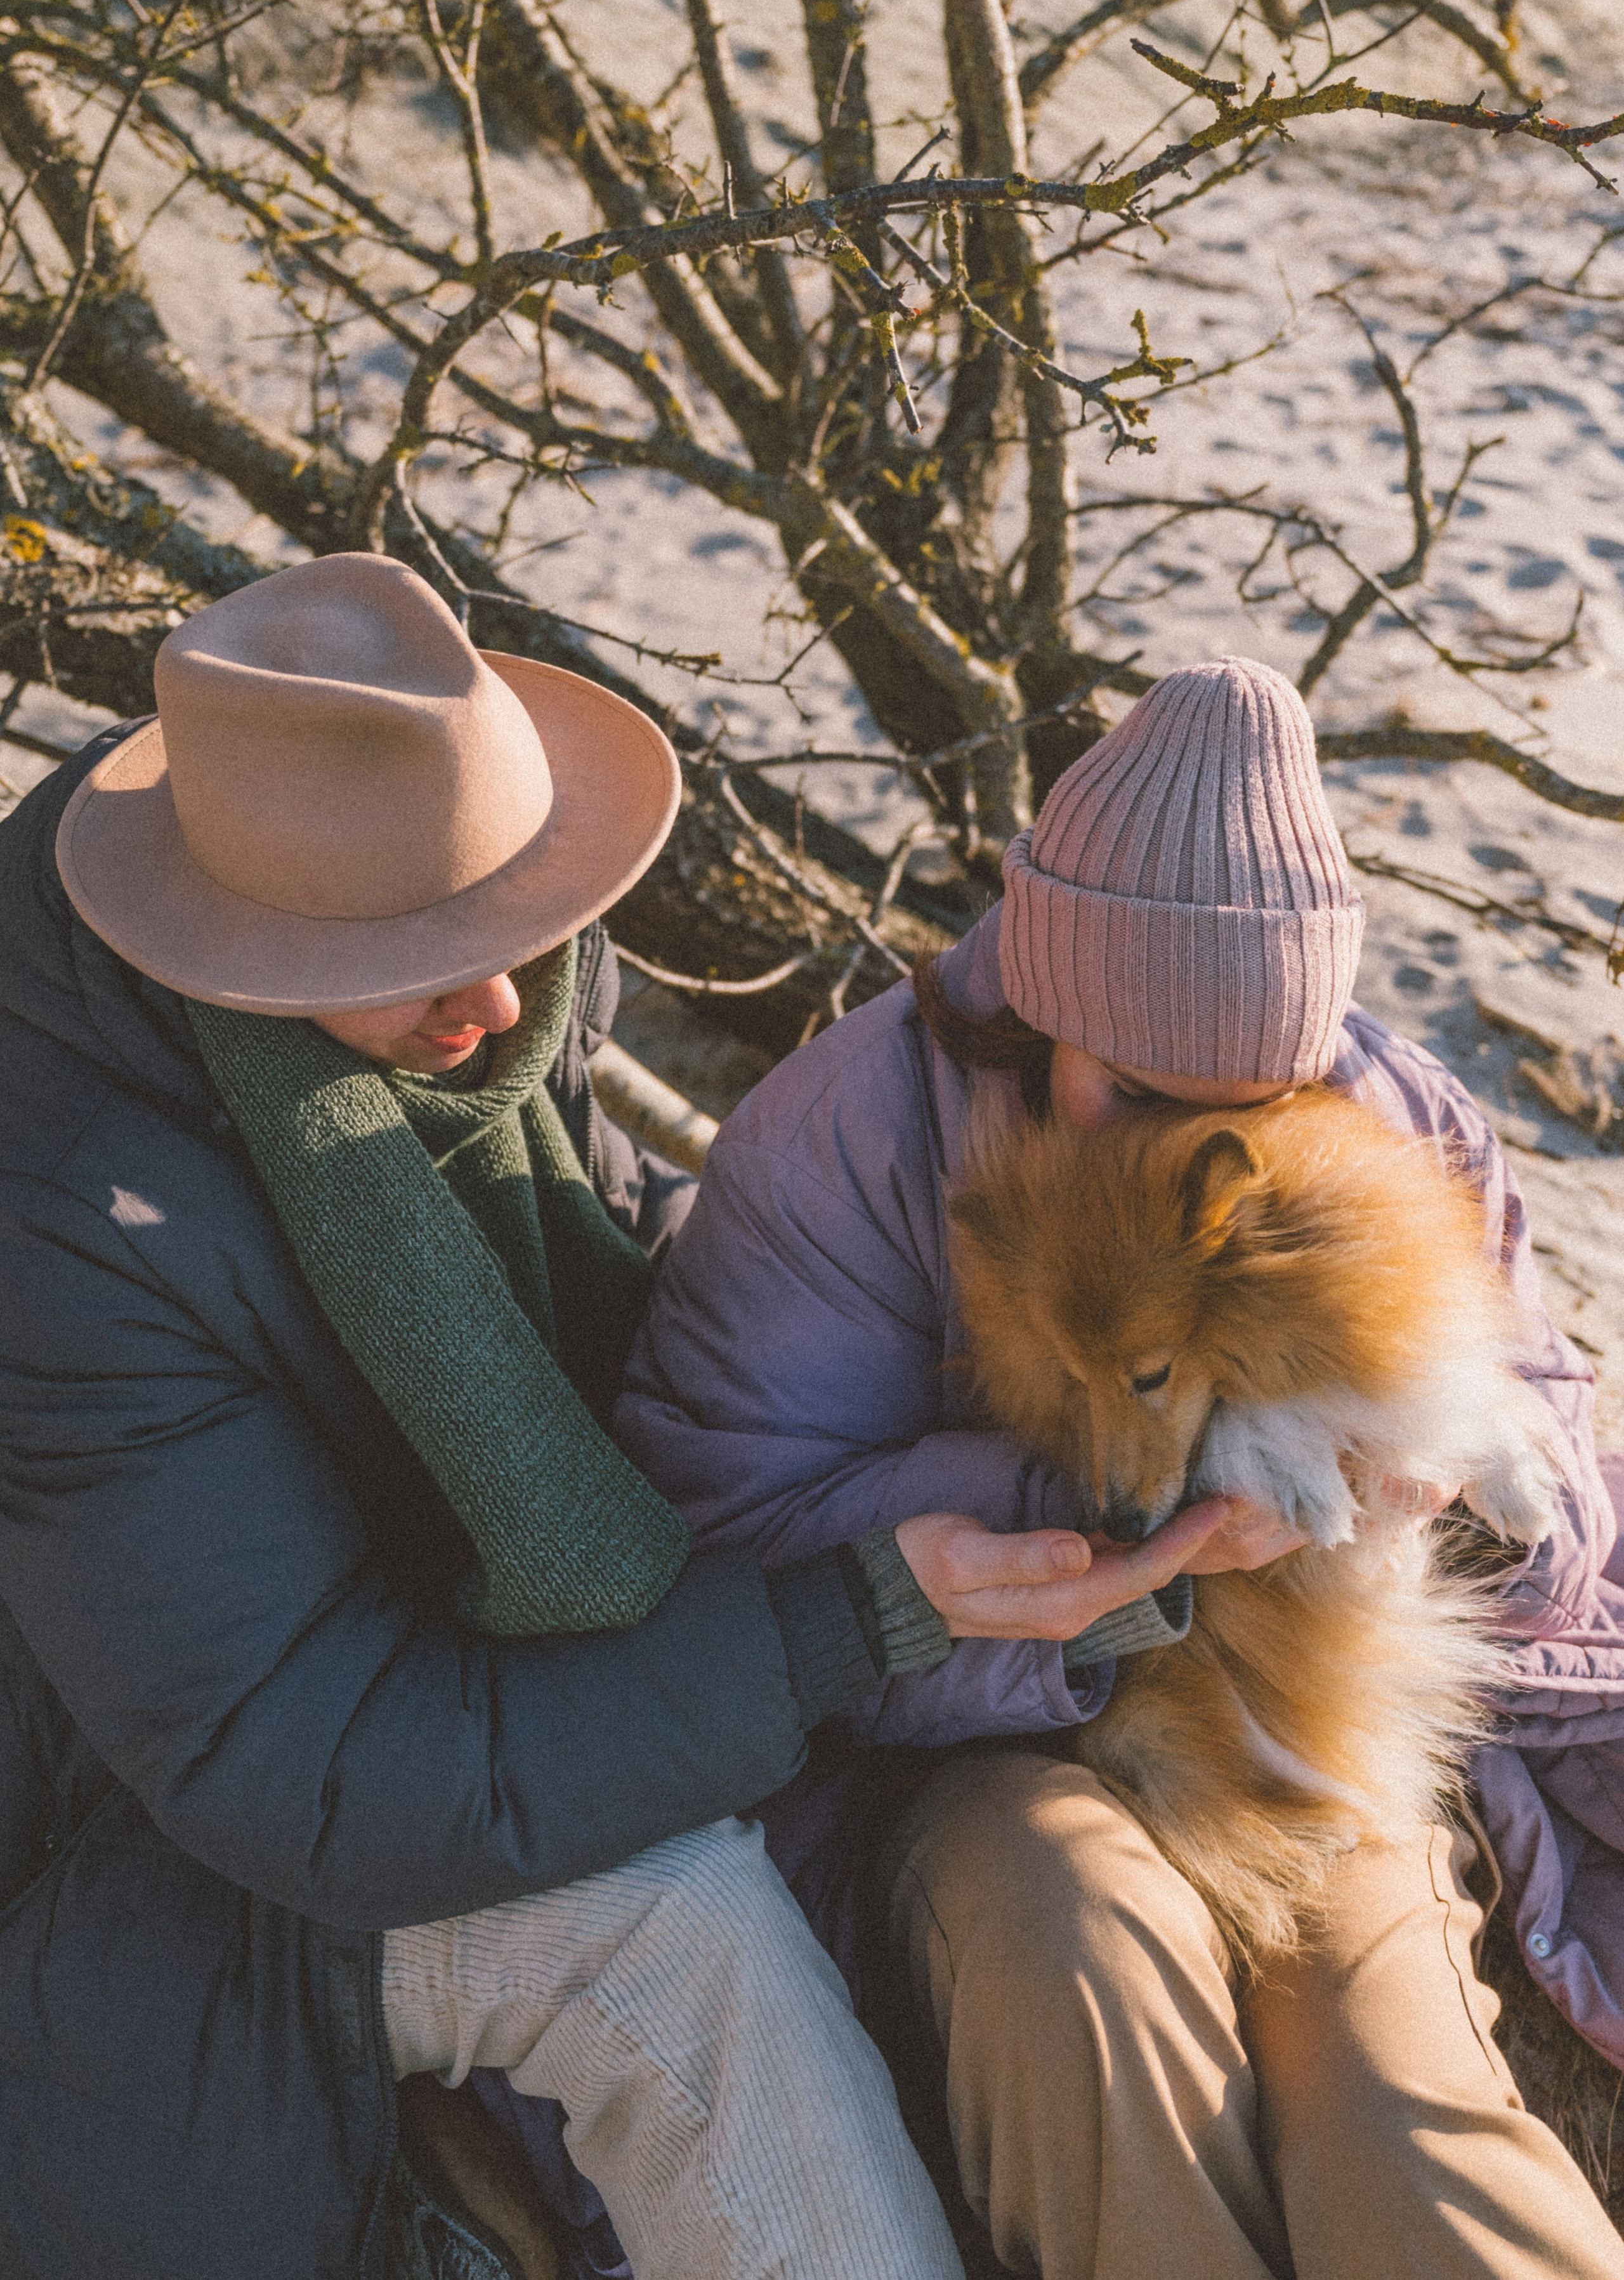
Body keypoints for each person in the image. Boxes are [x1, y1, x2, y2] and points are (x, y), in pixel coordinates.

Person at [0, 553, 973, 2280]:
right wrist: (852, 1613)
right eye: (424, 958)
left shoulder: (461, 1030)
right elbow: (301, 1774)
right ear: (235, 948)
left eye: (509, 925)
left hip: (381, 1700)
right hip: (152, 1866)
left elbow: (604, 1277)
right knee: (681, 1923)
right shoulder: (75, 1221)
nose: (504, 1002)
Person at [617, 656, 1624, 2280]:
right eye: (1129, 1088)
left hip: (1291, 1721)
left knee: (1392, 2088)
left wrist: (1437, 1488)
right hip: (959, 1754)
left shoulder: (1385, 1110)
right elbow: (725, 1542)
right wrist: (1100, 1521)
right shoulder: (841, 1145)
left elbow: (1551, 1474)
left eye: (1237, 1103)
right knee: (1074, 1966)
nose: (1167, 1138)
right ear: (1040, 999)